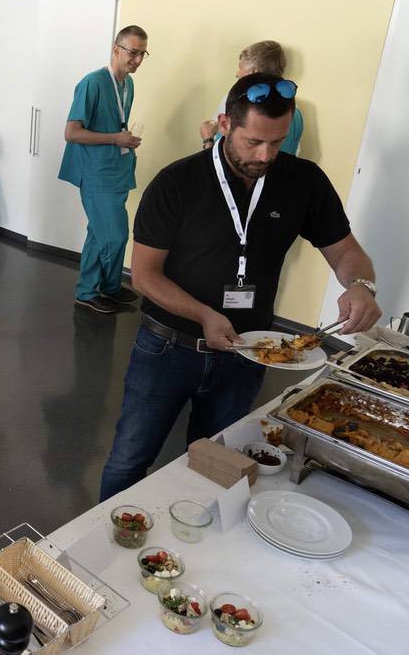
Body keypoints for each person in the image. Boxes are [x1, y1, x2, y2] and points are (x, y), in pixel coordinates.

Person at [99, 74, 381, 501]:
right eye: (254, 142)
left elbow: (345, 251)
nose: (265, 155)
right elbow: (145, 275)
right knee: (130, 458)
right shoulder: (177, 182)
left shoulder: (303, 181)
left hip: (247, 353)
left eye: (277, 142)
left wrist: (360, 284)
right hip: (168, 348)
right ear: (225, 124)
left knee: (218, 459)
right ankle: (101, 539)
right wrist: (203, 314)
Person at [59, 25, 148, 315]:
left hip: (117, 168)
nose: (137, 60)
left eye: (142, 54)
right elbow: (72, 133)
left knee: (99, 233)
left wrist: (125, 140)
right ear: (116, 49)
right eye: (133, 52)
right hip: (96, 173)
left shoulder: (128, 84)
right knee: (114, 235)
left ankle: (100, 289)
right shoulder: (93, 83)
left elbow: (116, 124)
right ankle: (92, 290)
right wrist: (115, 139)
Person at [200, 40, 303, 155]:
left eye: (240, 67)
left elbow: (220, 161)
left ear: (253, 72)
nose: (237, 73)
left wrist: (208, 139)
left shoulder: (237, 101)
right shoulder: (295, 111)